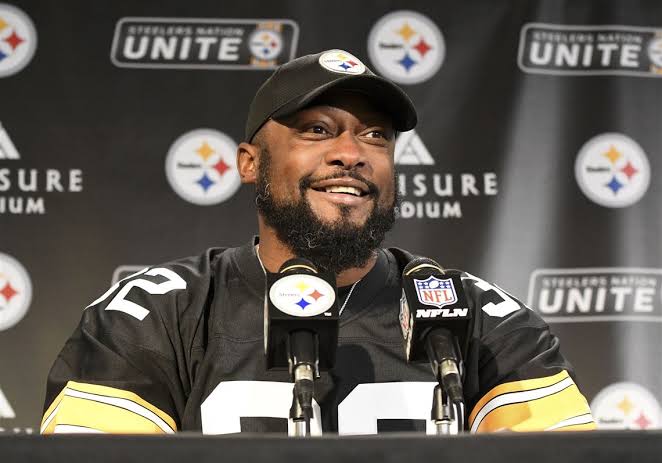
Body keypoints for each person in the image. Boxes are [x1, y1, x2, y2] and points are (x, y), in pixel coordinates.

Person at [41, 49, 595, 435]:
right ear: (249, 162)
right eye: (317, 130)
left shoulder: (479, 317)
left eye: (375, 135)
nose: (351, 153)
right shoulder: (154, 313)